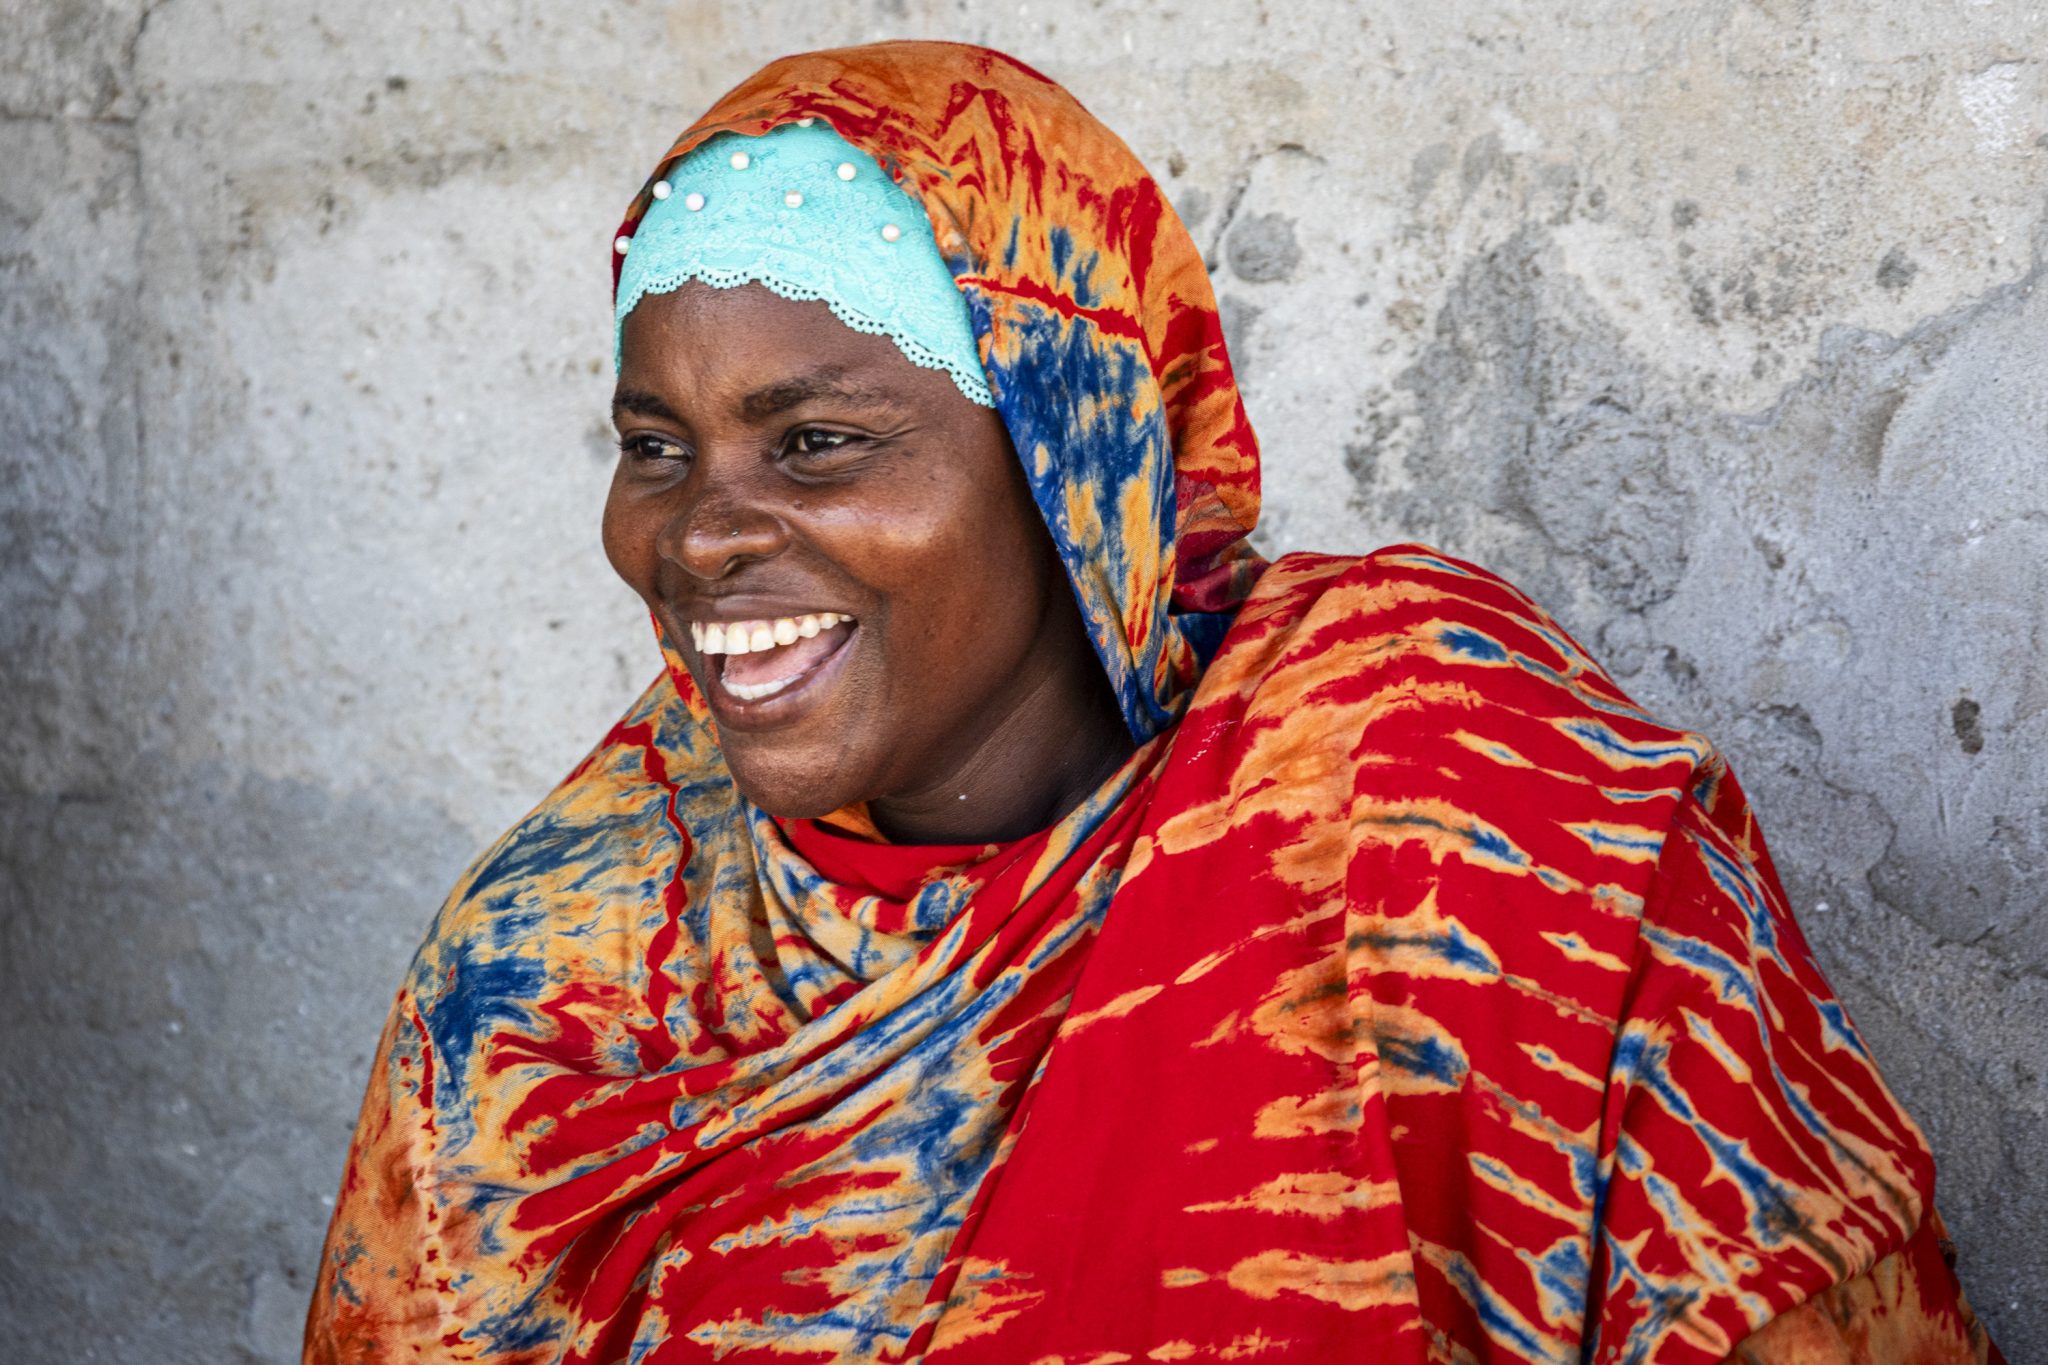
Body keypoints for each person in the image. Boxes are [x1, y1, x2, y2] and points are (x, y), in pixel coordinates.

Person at [303, 41, 2001, 1365]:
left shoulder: (1428, 798)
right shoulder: (556, 972)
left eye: (817, 442)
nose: (696, 538)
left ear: (1074, 445)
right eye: (655, 448)